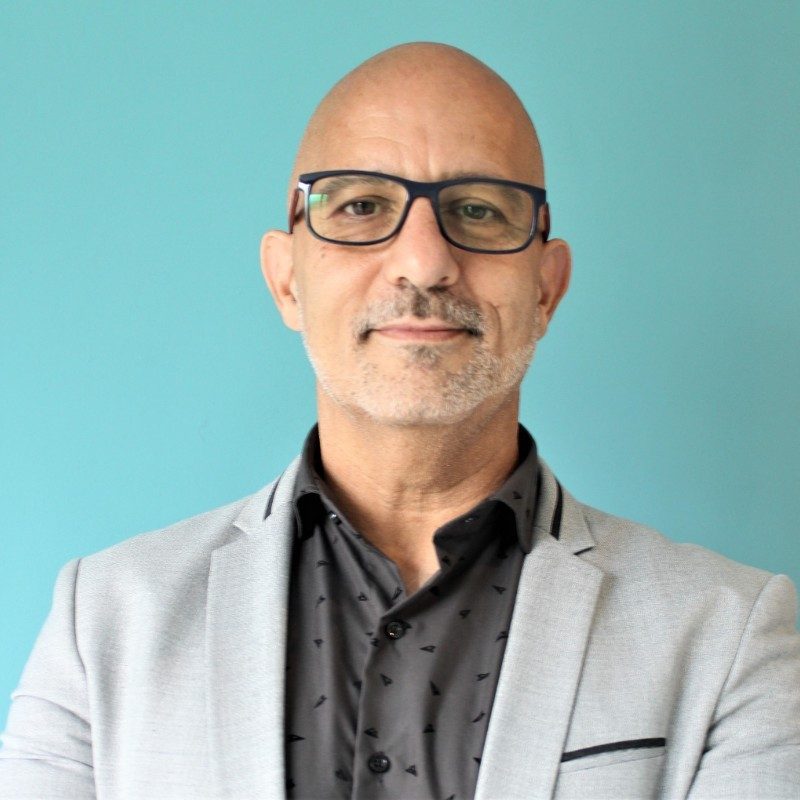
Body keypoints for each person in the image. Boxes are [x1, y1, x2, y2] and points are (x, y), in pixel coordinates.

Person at [1, 42, 798, 800]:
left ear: (546, 290)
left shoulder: (730, 638)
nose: (424, 262)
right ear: (286, 281)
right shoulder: (102, 623)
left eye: (479, 210)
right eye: (361, 205)